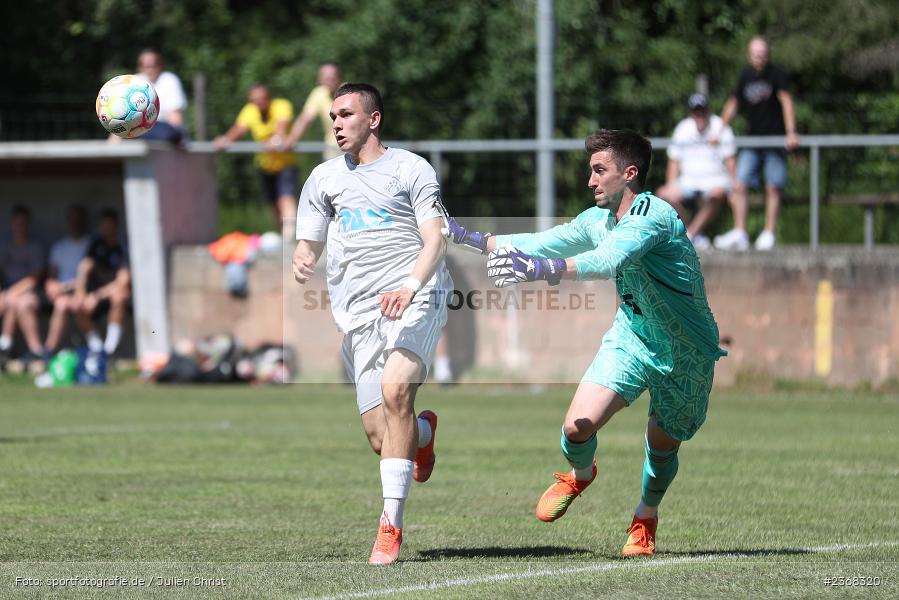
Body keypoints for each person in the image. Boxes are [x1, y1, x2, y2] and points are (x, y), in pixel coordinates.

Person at [447, 129, 726, 557]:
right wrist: (468, 237)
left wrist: (543, 268)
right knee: (576, 427)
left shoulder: (654, 215)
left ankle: (645, 516)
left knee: (662, 445)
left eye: (600, 171)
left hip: (687, 353)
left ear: (629, 173)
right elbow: (540, 241)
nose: (590, 181)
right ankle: (580, 473)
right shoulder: (597, 220)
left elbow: (608, 259)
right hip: (633, 337)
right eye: (590, 171)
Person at [293, 82, 452, 565]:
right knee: (383, 436)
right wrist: (303, 255)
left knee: (396, 392)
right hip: (359, 315)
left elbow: (436, 238)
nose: (336, 124)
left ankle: (390, 526)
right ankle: (422, 435)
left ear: (373, 119)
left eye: (345, 115)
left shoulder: (411, 169)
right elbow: (311, 242)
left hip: (416, 296)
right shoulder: (322, 179)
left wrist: (409, 286)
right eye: (332, 117)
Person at [712, 36, 800, 251]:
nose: (759, 58)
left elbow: (786, 101)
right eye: (755, 54)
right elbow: (734, 102)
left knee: (773, 187)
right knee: (739, 184)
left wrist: (791, 132)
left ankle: (768, 233)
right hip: (753, 140)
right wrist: (719, 130)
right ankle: (740, 232)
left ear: (767, 54)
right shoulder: (745, 75)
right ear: (749, 55)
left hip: (775, 140)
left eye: (762, 54)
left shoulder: (776, 74)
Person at [655, 93, 737, 250]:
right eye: (696, 112)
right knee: (663, 194)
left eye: (702, 112)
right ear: (691, 113)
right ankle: (693, 235)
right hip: (689, 181)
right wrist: (671, 184)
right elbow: (673, 160)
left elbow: (730, 159)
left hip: (716, 180)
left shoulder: (720, 127)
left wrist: (734, 184)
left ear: (708, 111)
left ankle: (691, 234)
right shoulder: (683, 128)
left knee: (717, 194)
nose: (699, 116)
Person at [214, 84, 298, 235]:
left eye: (262, 99)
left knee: (286, 198)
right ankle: (283, 237)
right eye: (255, 100)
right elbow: (239, 130)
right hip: (265, 164)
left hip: (285, 163)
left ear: (269, 98)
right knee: (273, 204)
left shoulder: (281, 106)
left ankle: (290, 235)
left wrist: (276, 140)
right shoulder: (250, 111)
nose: (259, 103)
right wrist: (225, 140)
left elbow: (281, 128)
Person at [73, 209, 131, 357]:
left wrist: (96, 297)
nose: (105, 229)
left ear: (115, 226)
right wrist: (81, 293)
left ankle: (110, 349)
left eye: (109, 226)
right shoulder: (95, 245)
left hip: (110, 295)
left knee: (119, 296)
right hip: (94, 295)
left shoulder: (123, 246)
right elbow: (84, 268)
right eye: (103, 226)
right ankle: (97, 347)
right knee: (76, 303)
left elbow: (123, 281)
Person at [110, 48, 188, 144]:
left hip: (161, 128)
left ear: (160, 65)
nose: (150, 69)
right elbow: (121, 113)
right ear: (140, 67)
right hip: (137, 127)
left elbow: (175, 118)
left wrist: (179, 138)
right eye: (146, 66)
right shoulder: (134, 82)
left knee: (168, 133)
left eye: (153, 65)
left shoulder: (169, 80)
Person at [0, 205, 46, 365]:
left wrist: (10, 293)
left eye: (23, 223)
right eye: (17, 223)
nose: (19, 227)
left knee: (19, 302)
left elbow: (34, 278)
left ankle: (36, 351)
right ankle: (4, 347)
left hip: (32, 293)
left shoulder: (35, 247)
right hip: (7, 294)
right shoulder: (5, 246)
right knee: (10, 301)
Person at [43, 205, 91, 354]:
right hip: (62, 292)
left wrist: (73, 288)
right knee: (62, 302)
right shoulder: (59, 247)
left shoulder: (90, 244)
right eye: (71, 219)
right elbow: (51, 276)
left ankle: (98, 348)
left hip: (84, 292)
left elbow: (91, 275)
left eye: (77, 218)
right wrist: (51, 286)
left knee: (66, 304)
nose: (74, 222)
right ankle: (48, 352)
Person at [280, 63, 343, 160]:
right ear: (320, 80)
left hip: (354, 150)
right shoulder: (319, 93)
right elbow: (305, 119)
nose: (330, 81)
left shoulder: (350, 92)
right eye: (326, 78)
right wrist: (291, 139)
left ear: (339, 77)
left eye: (332, 77)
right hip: (332, 150)